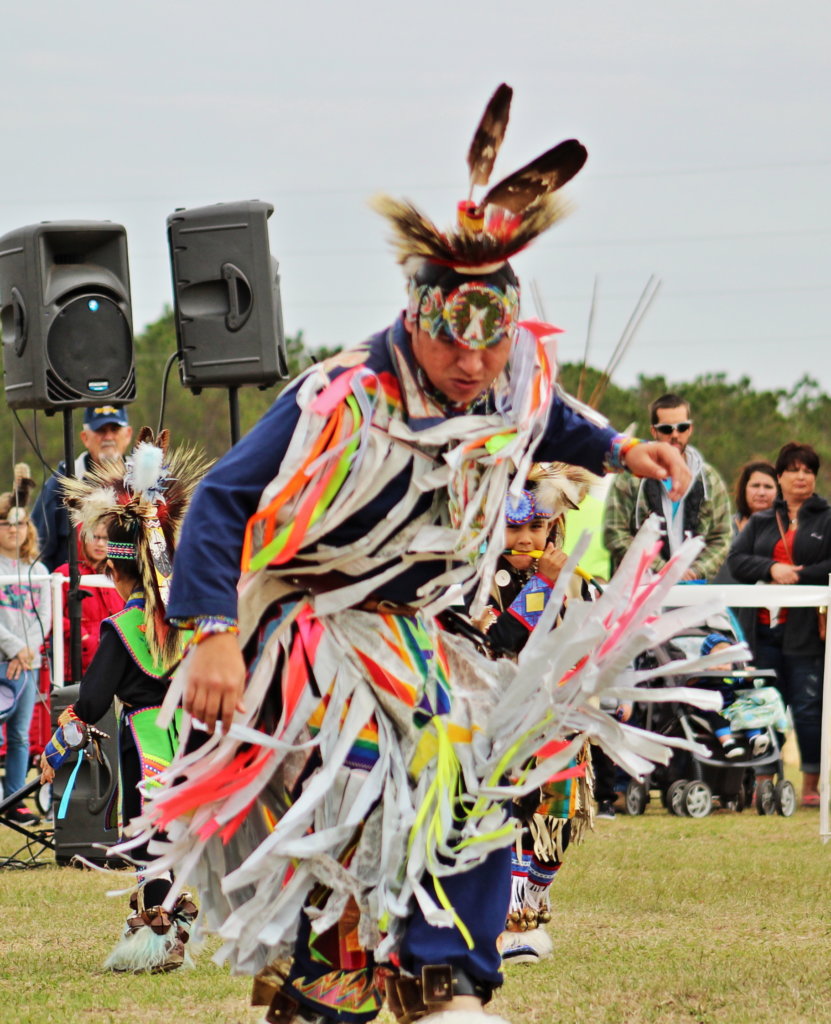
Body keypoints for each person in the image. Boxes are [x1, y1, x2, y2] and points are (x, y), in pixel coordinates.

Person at [131, 86, 693, 1024]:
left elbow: (546, 414)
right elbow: (225, 496)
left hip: (419, 634)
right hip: (315, 630)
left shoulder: (510, 374)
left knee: (469, 775)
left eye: (492, 339)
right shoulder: (341, 396)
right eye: (453, 337)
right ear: (417, 318)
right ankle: (330, 990)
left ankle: (445, 978)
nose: (473, 362)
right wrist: (213, 634)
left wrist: (620, 450)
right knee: (354, 797)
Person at [39, 430, 209, 971]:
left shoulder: (121, 629)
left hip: (147, 743)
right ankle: (170, 928)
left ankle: (159, 941)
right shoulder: (193, 622)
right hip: (196, 741)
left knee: (151, 837)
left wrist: (54, 752)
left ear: (115, 569)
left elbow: (89, 704)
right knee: (174, 836)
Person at [470, 465, 595, 967]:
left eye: (537, 528)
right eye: (514, 527)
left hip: (562, 713)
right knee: (513, 811)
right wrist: (541, 586)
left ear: (554, 528)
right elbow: (496, 642)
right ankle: (510, 922)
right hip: (499, 714)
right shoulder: (475, 578)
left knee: (558, 821)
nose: (525, 538)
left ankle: (531, 902)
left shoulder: (574, 576)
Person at [728, 442, 831, 807]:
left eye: (808, 470)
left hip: (805, 631)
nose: (801, 476)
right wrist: (771, 569)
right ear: (781, 475)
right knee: (765, 704)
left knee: (807, 706)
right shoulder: (760, 521)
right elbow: (737, 560)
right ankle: (764, 784)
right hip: (763, 629)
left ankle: (810, 786)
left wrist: (798, 575)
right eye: (793, 470)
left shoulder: (826, 517)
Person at [603, 393, 732, 580]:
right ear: (654, 431)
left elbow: (722, 537)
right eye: (666, 429)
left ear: (690, 429)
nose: (675, 435)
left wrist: (695, 571)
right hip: (638, 589)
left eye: (682, 427)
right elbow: (615, 535)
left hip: (692, 590)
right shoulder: (631, 476)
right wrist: (663, 569)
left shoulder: (709, 479)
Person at [0, 464, 51, 825]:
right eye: (6, 524)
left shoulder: (39, 570)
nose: (14, 530)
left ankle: (14, 800)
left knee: (19, 734)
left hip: (27, 663)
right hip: (4, 659)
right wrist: (14, 648)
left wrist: (28, 651)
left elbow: (44, 617)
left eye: (20, 523)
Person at [32, 405, 133, 572]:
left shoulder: (145, 483)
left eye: (115, 429)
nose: (108, 437)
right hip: (74, 591)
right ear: (85, 437)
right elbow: (38, 551)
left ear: (128, 434)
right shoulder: (62, 483)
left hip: (132, 593)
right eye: (100, 430)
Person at [54, 524, 124, 680]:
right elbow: (53, 617)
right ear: (82, 538)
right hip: (77, 664)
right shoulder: (64, 573)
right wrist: (85, 639)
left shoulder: (120, 575)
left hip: (115, 661)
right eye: (94, 537)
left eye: (106, 538)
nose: (100, 544)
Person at [732, 461, 778, 534]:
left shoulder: (788, 528)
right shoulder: (724, 527)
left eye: (768, 487)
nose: (761, 493)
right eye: (755, 486)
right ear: (744, 489)